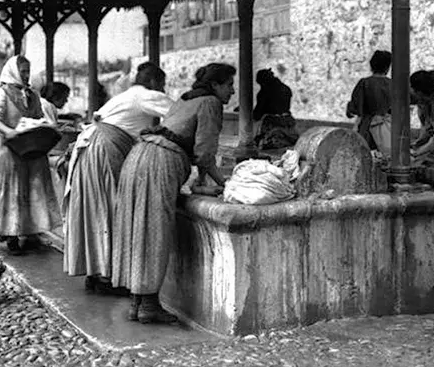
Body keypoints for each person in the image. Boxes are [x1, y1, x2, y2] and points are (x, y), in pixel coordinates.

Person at [112, 62, 235, 324]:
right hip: (161, 162)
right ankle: (149, 305)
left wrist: (203, 181)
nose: (232, 91)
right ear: (215, 85)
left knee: (136, 227)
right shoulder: (211, 103)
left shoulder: (185, 99)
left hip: (138, 156)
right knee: (154, 228)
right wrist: (226, 184)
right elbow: (205, 154)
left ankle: (137, 302)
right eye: (229, 84)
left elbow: (196, 150)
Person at [63, 62, 174, 294]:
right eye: (162, 84)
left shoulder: (124, 96)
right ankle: (106, 278)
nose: (162, 89)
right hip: (105, 150)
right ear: (154, 82)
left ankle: (95, 273)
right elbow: (178, 114)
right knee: (110, 209)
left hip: (90, 149)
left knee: (94, 211)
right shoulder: (145, 96)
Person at [0, 55, 61, 255]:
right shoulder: (3, 93)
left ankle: (30, 230)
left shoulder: (32, 95)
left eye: (27, 71)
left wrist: (43, 126)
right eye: (23, 71)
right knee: (12, 190)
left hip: (30, 146)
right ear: (13, 72)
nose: (26, 75)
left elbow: (39, 117)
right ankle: (11, 235)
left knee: (31, 187)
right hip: (8, 148)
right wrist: (8, 131)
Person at [346, 50, 392, 156]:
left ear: (371, 65)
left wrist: (349, 109)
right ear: (388, 67)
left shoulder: (365, 83)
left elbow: (355, 108)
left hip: (367, 127)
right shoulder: (393, 84)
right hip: (388, 128)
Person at [253, 68, 298, 150]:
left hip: (273, 126)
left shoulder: (264, 92)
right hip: (289, 124)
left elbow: (257, 114)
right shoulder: (286, 89)